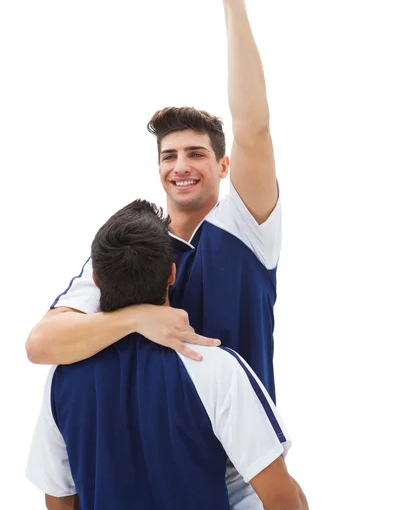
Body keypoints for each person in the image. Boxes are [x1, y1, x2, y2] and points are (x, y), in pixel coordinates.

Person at [25, 0, 281, 402]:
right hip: (160, 458)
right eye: (169, 156)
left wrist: (232, 0)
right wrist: (138, 318)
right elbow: (41, 343)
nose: (180, 166)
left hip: (241, 465)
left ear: (224, 165)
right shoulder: (134, 247)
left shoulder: (245, 228)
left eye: (196, 154)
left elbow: (254, 127)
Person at [26, 200, 307, 510]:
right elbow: (283, 499)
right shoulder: (217, 368)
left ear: (95, 281)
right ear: (172, 274)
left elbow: (59, 499)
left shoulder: (61, 380)